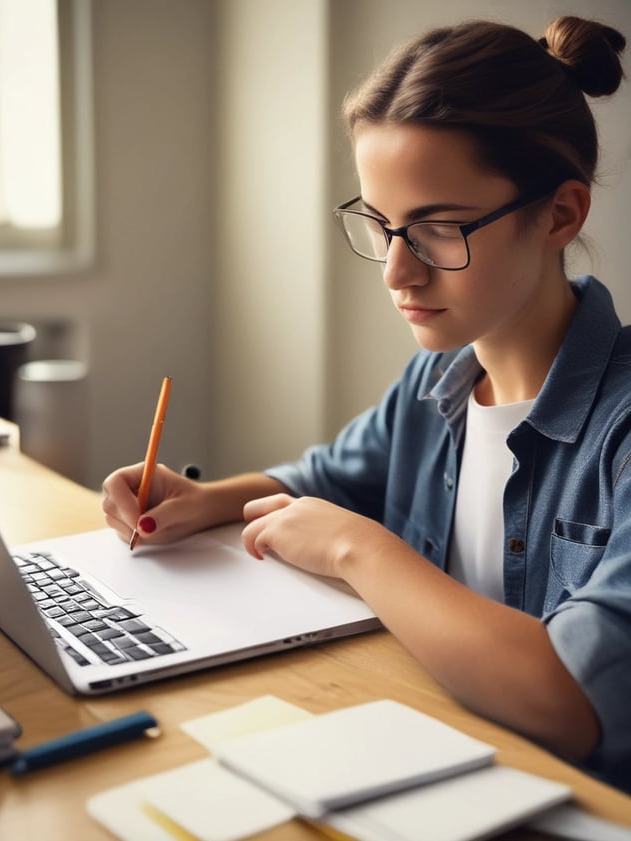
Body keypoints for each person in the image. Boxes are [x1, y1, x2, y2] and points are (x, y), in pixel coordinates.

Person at [103, 16, 630, 793]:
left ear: (560, 214)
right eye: (382, 226)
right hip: (428, 751)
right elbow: (327, 482)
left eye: (438, 229)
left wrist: (362, 551)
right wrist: (205, 500)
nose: (396, 273)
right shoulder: (437, 385)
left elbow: (579, 702)